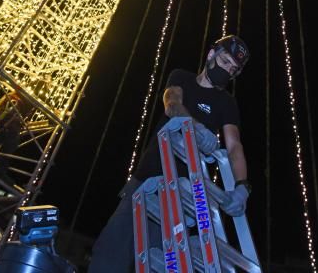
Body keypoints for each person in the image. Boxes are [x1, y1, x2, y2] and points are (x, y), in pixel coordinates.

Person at [87, 35, 253, 273]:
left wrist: (242, 186)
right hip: (146, 181)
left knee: (158, 262)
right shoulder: (181, 78)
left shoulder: (226, 102)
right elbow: (172, 103)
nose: (228, 70)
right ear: (211, 55)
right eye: (226, 62)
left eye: (233, 69)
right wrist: (194, 127)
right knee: (110, 250)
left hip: (182, 194)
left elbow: (234, 145)